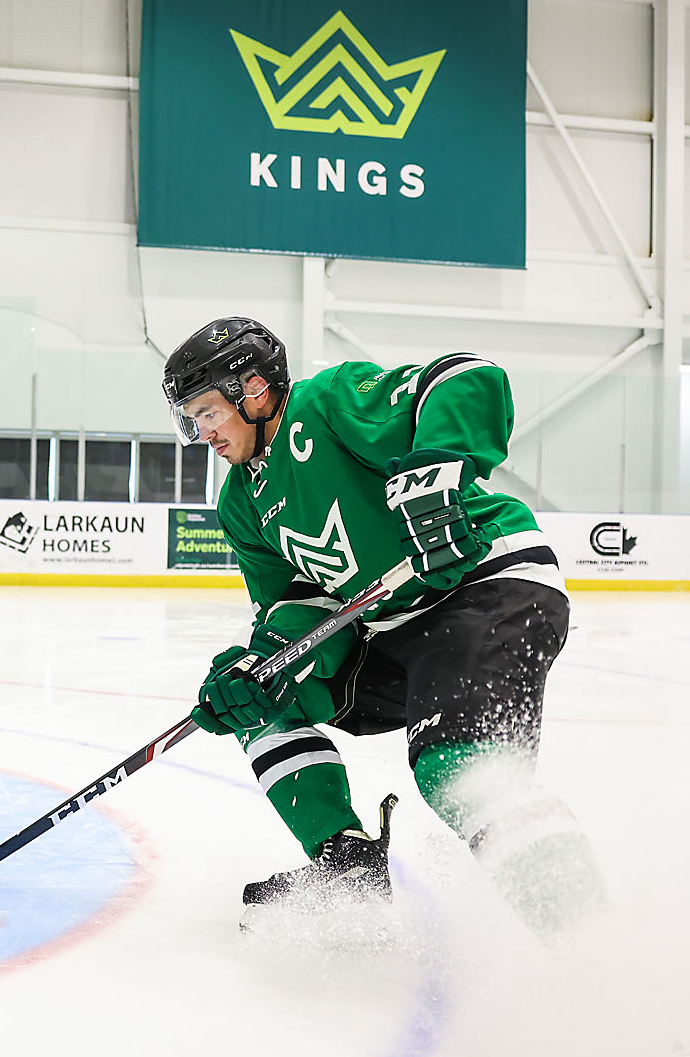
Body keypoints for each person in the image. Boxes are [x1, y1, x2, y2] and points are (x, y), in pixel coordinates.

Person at [162, 317, 606, 936]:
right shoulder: (240, 501)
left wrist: (435, 476)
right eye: (193, 418)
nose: (201, 431)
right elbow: (295, 607)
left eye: (208, 412)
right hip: (391, 625)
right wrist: (259, 666)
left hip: (484, 586)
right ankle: (345, 862)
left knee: (458, 768)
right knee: (262, 701)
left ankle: (593, 947)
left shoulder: (324, 405)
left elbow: (467, 377)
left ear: (255, 390)